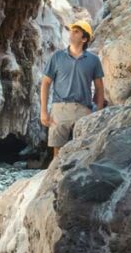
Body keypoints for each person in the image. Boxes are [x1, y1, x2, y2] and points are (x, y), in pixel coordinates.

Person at [40, 20, 104, 157]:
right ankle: (56, 178)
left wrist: (98, 110)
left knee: (83, 151)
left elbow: (99, 87)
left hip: (83, 109)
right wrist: (44, 111)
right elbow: (45, 83)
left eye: (76, 32)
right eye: (71, 31)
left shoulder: (93, 60)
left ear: (84, 38)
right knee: (57, 153)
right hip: (59, 109)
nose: (71, 34)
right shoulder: (57, 57)